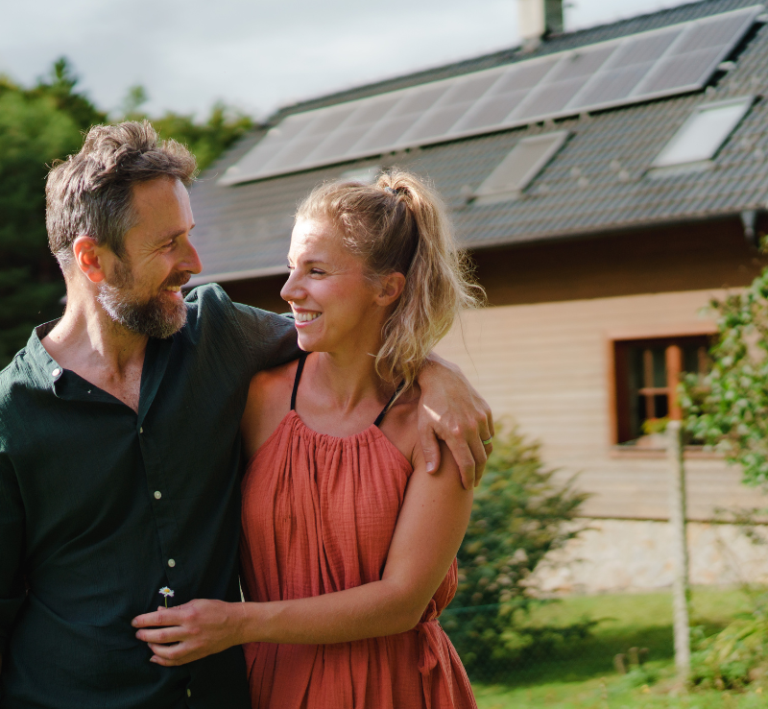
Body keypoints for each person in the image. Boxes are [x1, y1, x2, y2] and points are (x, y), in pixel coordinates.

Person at [0, 123, 493, 709]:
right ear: (93, 260)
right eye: (167, 244)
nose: (195, 261)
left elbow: (355, 331)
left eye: (189, 234)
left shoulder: (218, 334)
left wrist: (439, 373)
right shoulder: (13, 416)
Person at [132, 171, 485, 708]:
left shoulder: (436, 424)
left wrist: (236, 623)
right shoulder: (258, 398)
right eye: (292, 266)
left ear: (387, 287)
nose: (289, 290)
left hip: (393, 687)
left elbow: (400, 603)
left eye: (316, 271)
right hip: (276, 684)